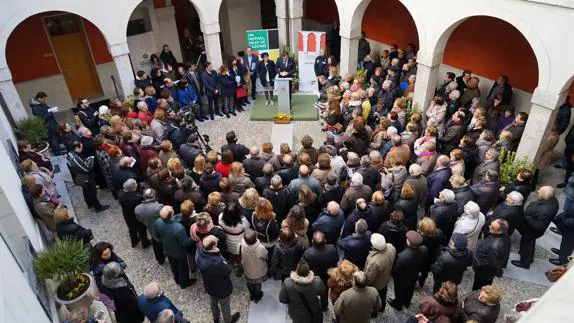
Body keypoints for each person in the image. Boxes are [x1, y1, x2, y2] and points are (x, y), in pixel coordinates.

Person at [197, 235, 241, 323]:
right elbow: (227, 271)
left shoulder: (198, 253)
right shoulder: (217, 262)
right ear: (213, 246)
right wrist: (221, 257)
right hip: (221, 288)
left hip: (209, 285)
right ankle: (228, 320)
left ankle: (216, 318)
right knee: (224, 305)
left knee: (213, 302)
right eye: (216, 243)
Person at [512, 186, 559, 269]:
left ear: (544, 195)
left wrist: (527, 217)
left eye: (540, 191)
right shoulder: (553, 201)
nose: (538, 191)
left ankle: (524, 263)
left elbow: (539, 225)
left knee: (526, 244)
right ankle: (528, 258)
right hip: (533, 231)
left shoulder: (544, 210)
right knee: (530, 243)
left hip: (531, 230)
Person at [154, 206, 194, 288]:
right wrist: (193, 238)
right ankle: (184, 283)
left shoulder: (157, 222)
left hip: (168, 248)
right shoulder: (178, 228)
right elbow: (184, 243)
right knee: (183, 268)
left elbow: (157, 236)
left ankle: (177, 279)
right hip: (179, 252)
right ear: (171, 215)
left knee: (173, 265)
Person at [388, 230, 428, 310]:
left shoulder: (402, 256)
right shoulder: (424, 249)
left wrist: (394, 277)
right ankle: (406, 303)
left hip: (402, 279)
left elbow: (396, 271)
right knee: (410, 289)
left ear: (408, 242)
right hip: (414, 276)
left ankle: (398, 305)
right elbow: (424, 262)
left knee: (399, 292)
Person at [66, 141, 109, 212]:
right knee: (92, 191)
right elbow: (86, 168)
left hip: (80, 178)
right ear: (77, 148)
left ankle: (90, 204)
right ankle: (98, 207)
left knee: (86, 190)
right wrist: (91, 159)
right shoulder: (75, 158)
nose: (82, 149)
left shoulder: (70, 154)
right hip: (85, 178)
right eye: (81, 147)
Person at [472, 219, 511, 290]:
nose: (489, 227)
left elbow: (494, 263)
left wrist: (499, 272)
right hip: (489, 271)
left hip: (485, 271)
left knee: (479, 286)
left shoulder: (494, 246)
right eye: (491, 224)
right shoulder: (505, 236)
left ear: (500, 231)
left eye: (492, 227)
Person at [302, 231, 339, 303]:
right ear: (325, 240)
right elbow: (336, 262)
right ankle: (324, 306)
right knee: (324, 292)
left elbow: (304, 267)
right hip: (327, 277)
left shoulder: (308, 253)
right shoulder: (332, 249)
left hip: (314, 277)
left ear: (312, 241)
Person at [364, 233, 396, 313]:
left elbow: (370, 278)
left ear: (374, 247)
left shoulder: (375, 261)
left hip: (376, 285)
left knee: (375, 299)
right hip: (385, 279)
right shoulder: (391, 247)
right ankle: (382, 307)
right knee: (383, 295)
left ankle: (375, 312)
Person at [135, 188, 166, 264]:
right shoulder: (159, 207)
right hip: (161, 229)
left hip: (150, 228)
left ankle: (160, 259)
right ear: (154, 196)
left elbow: (139, 220)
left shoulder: (137, 208)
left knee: (156, 244)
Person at [118, 179, 150, 248]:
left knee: (132, 229)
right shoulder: (137, 198)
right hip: (137, 217)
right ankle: (145, 243)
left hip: (127, 216)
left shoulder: (120, 194)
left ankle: (134, 241)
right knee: (142, 230)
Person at [240, 229, 268, 303]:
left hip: (247, 269)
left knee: (249, 282)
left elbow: (238, 252)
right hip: (258, 271)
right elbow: (265, 255)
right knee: (257, 284)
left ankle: (252, 295)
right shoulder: (260, 248)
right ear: (256, 238)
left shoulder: (242, 245)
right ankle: (257, 296)